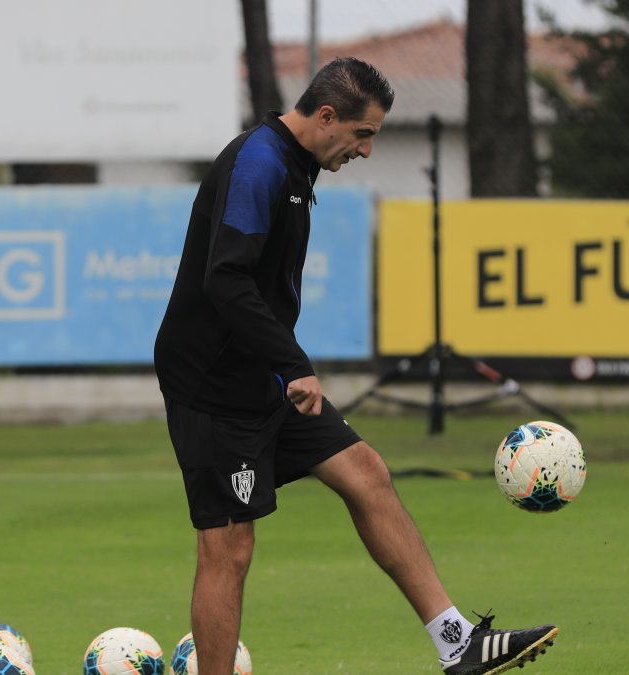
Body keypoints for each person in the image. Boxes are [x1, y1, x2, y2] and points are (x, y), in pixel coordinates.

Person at [153, 57, 559, 674]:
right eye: (363, 134)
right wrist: (293, 364)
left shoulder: (294, 165)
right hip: (213, 387)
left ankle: (459, 645)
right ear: (325, 117)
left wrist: (281, 367)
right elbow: (226, 278)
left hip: (261, 378)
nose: (367, 150)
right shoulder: (259, 162)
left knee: (366, 472)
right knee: (228, 547)